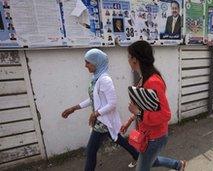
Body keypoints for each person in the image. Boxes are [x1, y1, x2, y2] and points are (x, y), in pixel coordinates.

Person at [61, 49, 139, 171]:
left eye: (88, 62)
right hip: (102, 120)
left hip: (103, 121)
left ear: (96, 62)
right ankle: (138, 156)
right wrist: (74, 108)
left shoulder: (105, 80)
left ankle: (139, 156)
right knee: (118, 139)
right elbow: (93, 99)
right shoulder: (96, 78)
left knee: (90, 151)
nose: (85, 65)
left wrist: (95, 113)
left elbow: (112, 103)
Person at [120, 40, 186, 171]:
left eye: (129, 56)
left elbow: (165, 114)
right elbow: (144, 106)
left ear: (135, 59)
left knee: (142, 167)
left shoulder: (153, 82)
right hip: (147, 134)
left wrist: (138, 112)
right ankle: (178, 165)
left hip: (155, 137)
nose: (127, 60)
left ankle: (178, 165)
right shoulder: (143, 79)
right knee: (152, 161)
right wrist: (129, 121)